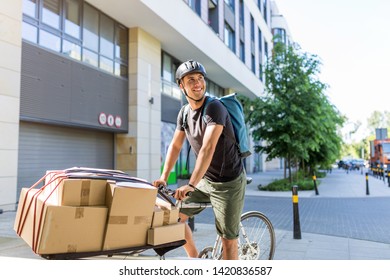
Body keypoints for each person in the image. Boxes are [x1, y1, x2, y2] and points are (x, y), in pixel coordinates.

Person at [153, 59, 247, 260]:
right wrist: (164, 176)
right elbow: (176, 145)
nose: (198, 84)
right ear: (181, 85)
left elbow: (208, 148)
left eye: (200, 79)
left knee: (228, 242)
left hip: (229, 182)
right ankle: (195, 261)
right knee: (174, 218)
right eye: (191, 80)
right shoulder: (184, 113)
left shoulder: (214, 108)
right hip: (207, 181)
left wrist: (191, 184)